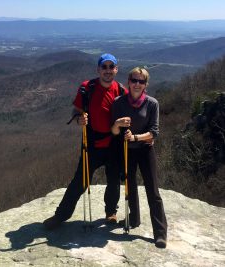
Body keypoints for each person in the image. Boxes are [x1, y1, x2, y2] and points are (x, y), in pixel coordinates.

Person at [43, 53, 129, 230]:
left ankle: (111, 212)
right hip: (92, 144)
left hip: (114, 144)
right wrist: (79, 118)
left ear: (116, 69)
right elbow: (76, 110)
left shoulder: (121, 91)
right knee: (80, 182)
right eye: (104, 67)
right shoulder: (87, 88)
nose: (107, 70)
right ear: (98, 69)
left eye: (110, 67)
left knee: (113, 180)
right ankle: (61, 215)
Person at [111, 67, 168, 248]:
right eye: (134, 80)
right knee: (130, 187)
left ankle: (160, 233)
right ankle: (134, 219)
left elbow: (154, 133)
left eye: (141, 81)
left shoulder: (152, 104)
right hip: (126, 150)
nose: (137, 84)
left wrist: (135, 137)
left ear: (146, 85)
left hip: (144, 150)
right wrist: (117, 124)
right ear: (128, 81)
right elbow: (113, 132)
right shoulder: (119, 102)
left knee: (153, 190)